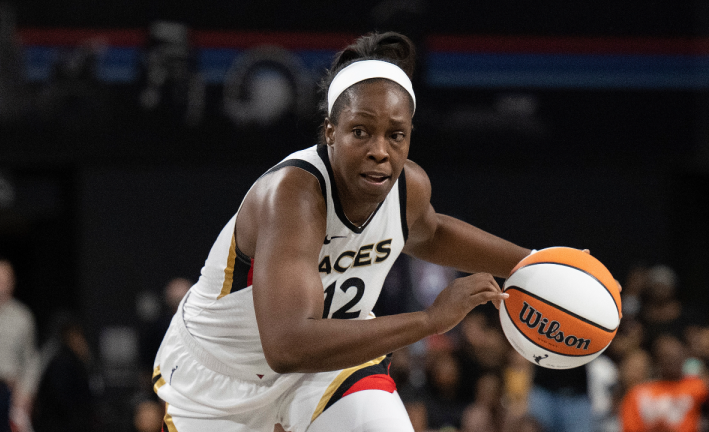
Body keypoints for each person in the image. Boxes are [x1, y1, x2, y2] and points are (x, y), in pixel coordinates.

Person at [152, 31, 531, 432]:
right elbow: (287, 346)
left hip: (329, 364)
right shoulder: (292, 196)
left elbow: (431, 233)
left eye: (396, 135)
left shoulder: (408, 188)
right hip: (223, 377)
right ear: (331, 131)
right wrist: (430, 320)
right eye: (361, 132)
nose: (380, 151)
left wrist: (536, 263)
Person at [0, 256, 40, 432]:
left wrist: (27, 392)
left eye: (2, 280)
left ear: (12, 282)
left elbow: (31, 359)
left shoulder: (23, 317)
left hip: (10, 393)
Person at [619, 334, 709, 432]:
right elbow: (630, 428)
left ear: (684, 357)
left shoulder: (697, 387)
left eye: (676, 356)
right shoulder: (638, 394)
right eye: (667, 356)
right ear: (657, 361)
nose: (672, 361)